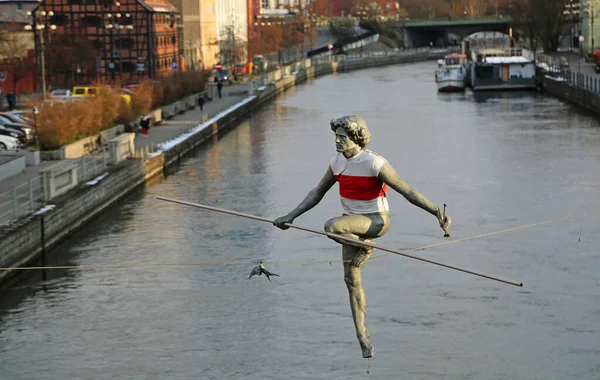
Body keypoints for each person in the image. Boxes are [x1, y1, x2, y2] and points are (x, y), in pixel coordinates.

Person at [273, 115, 451, 359]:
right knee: (351, 280)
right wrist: (290, 216)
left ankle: (368, 248)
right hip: (352, 228)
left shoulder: (374, 163)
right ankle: (363, 337)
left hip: (375, 222)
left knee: (331, 227)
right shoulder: (337, 163)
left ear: (356, 138)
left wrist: (436, 212)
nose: (337, 141)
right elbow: (316, 193)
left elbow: (407, 190)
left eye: (342, 137)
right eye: (335, 136)